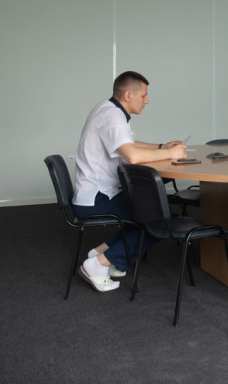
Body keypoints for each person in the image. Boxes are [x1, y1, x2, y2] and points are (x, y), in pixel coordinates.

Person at [72, 71, 187, 292]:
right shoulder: (113, 116)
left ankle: (102, 253)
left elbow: (129, 143)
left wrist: (162, 147)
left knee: (148, 213)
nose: (147, 100)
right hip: (97, 198)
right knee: (160, 220)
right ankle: (99, 263)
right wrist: (171, 154)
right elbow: (132, 155)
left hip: (95, 192)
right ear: (127, 95)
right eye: (143, 95)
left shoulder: (107, 108)